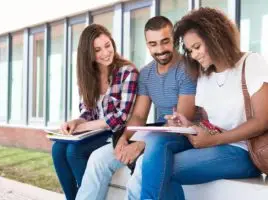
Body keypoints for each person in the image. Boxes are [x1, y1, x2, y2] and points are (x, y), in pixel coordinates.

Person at [129, 7, 268, 200]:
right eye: (189, 50)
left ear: (215, 37)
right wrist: (188, 125)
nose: (193, 55)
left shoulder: (251, 63)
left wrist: (214, 140)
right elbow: (211, 125)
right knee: (156, 140)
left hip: (243, 151)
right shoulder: (205, 74)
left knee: (160, 169)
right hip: (215, 145)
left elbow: (262, 121)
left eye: (197, 47)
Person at [75, 16, 197, 200]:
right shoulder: (147, 73)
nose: (160, 49)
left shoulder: (186, 69)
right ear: (147, 45)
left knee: (140, 172)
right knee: (97, 160)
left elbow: (182, 123)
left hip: (184, 135)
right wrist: (124, 139)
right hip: (159, 132)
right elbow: (139, 115)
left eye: (165, 41)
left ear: (174, 39)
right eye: (153, 44)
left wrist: (141, 144)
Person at [51, 24, 139, 200]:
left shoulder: (127, 72)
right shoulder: (88, 76)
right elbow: (87, 112)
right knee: (58, 149)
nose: (106, 52)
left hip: (117, 133)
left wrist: (85, 127)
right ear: (89, 54)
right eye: (98, 50)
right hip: (96, 133)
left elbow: (120, 118)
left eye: (107, 45)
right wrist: (76, 122)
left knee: (73, 152)